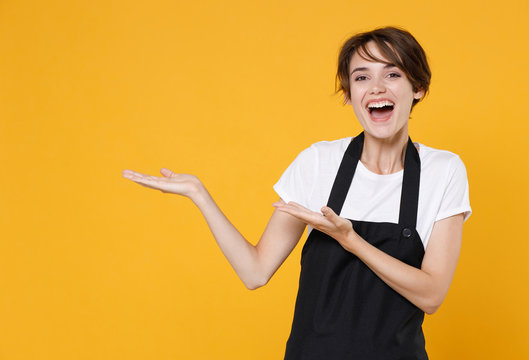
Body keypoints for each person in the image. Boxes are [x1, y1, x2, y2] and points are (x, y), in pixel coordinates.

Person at [123, 26, 471, 359]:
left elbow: (432, 295)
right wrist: (200, 195)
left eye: (392, 74)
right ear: (349, 95)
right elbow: (255, 272)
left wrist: (351, 240)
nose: (377, 88)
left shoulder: (443, 171)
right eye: (362, 77)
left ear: (418, 87)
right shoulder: (318, 162)